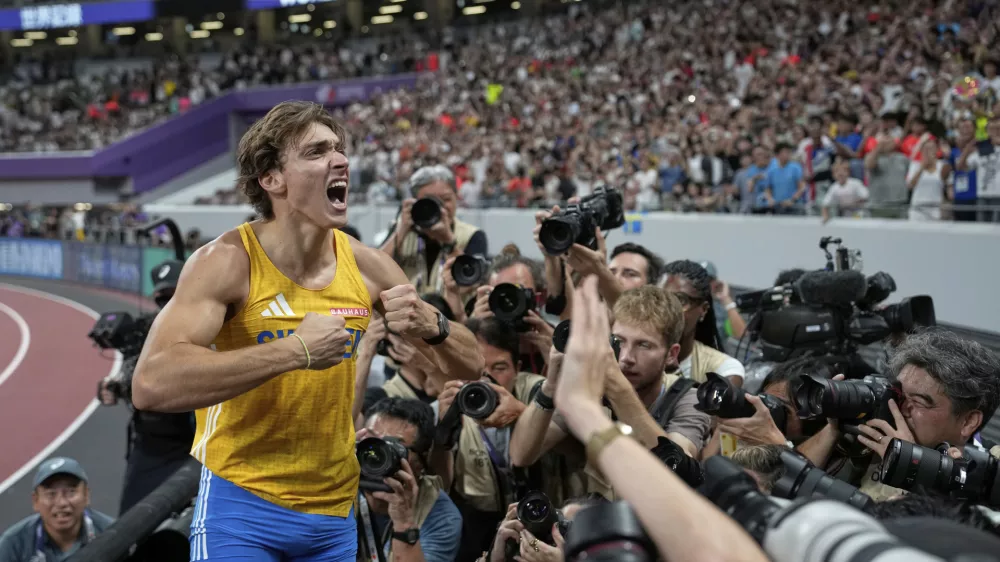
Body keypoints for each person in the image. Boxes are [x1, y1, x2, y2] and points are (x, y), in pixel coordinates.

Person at [131, 101, 484, 561]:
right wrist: (295, 350)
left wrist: (435, 327)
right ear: (271, 178)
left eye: (339, 149)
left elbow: (472, 365)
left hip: (332, 514)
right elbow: (151, 384)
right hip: (242, 506)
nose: (341, 160)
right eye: (317, 152)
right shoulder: (226, 262)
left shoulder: (369, 267)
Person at [433, 317, 548, 562]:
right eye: (479, 371)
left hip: (540, 516)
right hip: (477, 522)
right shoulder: (450, 401)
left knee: (536, 554)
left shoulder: (538, 392)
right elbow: (440, 484)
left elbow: (571, 444)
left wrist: (522, 412)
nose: (488, 380)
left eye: (500, 368)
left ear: (518, 368)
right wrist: (443, 430)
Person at [356, 398, 463, 562]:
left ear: (421, 463)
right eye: (372, 442)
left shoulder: (442, 515)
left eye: (392, 448)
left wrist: (404, 523)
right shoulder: (342, 486)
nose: (377, 455)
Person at [379, 165, 489, 295]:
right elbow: (373, 272)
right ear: (415, 202)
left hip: (451, 314)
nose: (440, 207)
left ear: (456, 198)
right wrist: (401, 231)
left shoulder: (472, 235)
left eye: (446, 199)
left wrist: (449, 241)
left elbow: (469, 286)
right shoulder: (401, 229)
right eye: (430, 201)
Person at [0, 458, 115, 562]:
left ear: (86, 495)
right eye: (51, 494)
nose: (62, 503)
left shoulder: (112, 534)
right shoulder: (15, 544)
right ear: (36, 501)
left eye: (71, 492)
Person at [659, 260, 745, 385]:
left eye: (680, 300)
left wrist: (726, 300)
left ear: (703, 310)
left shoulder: (723, 369)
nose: (667, 308)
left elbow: (741, 334)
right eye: (659, 298)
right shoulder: (629, 357)